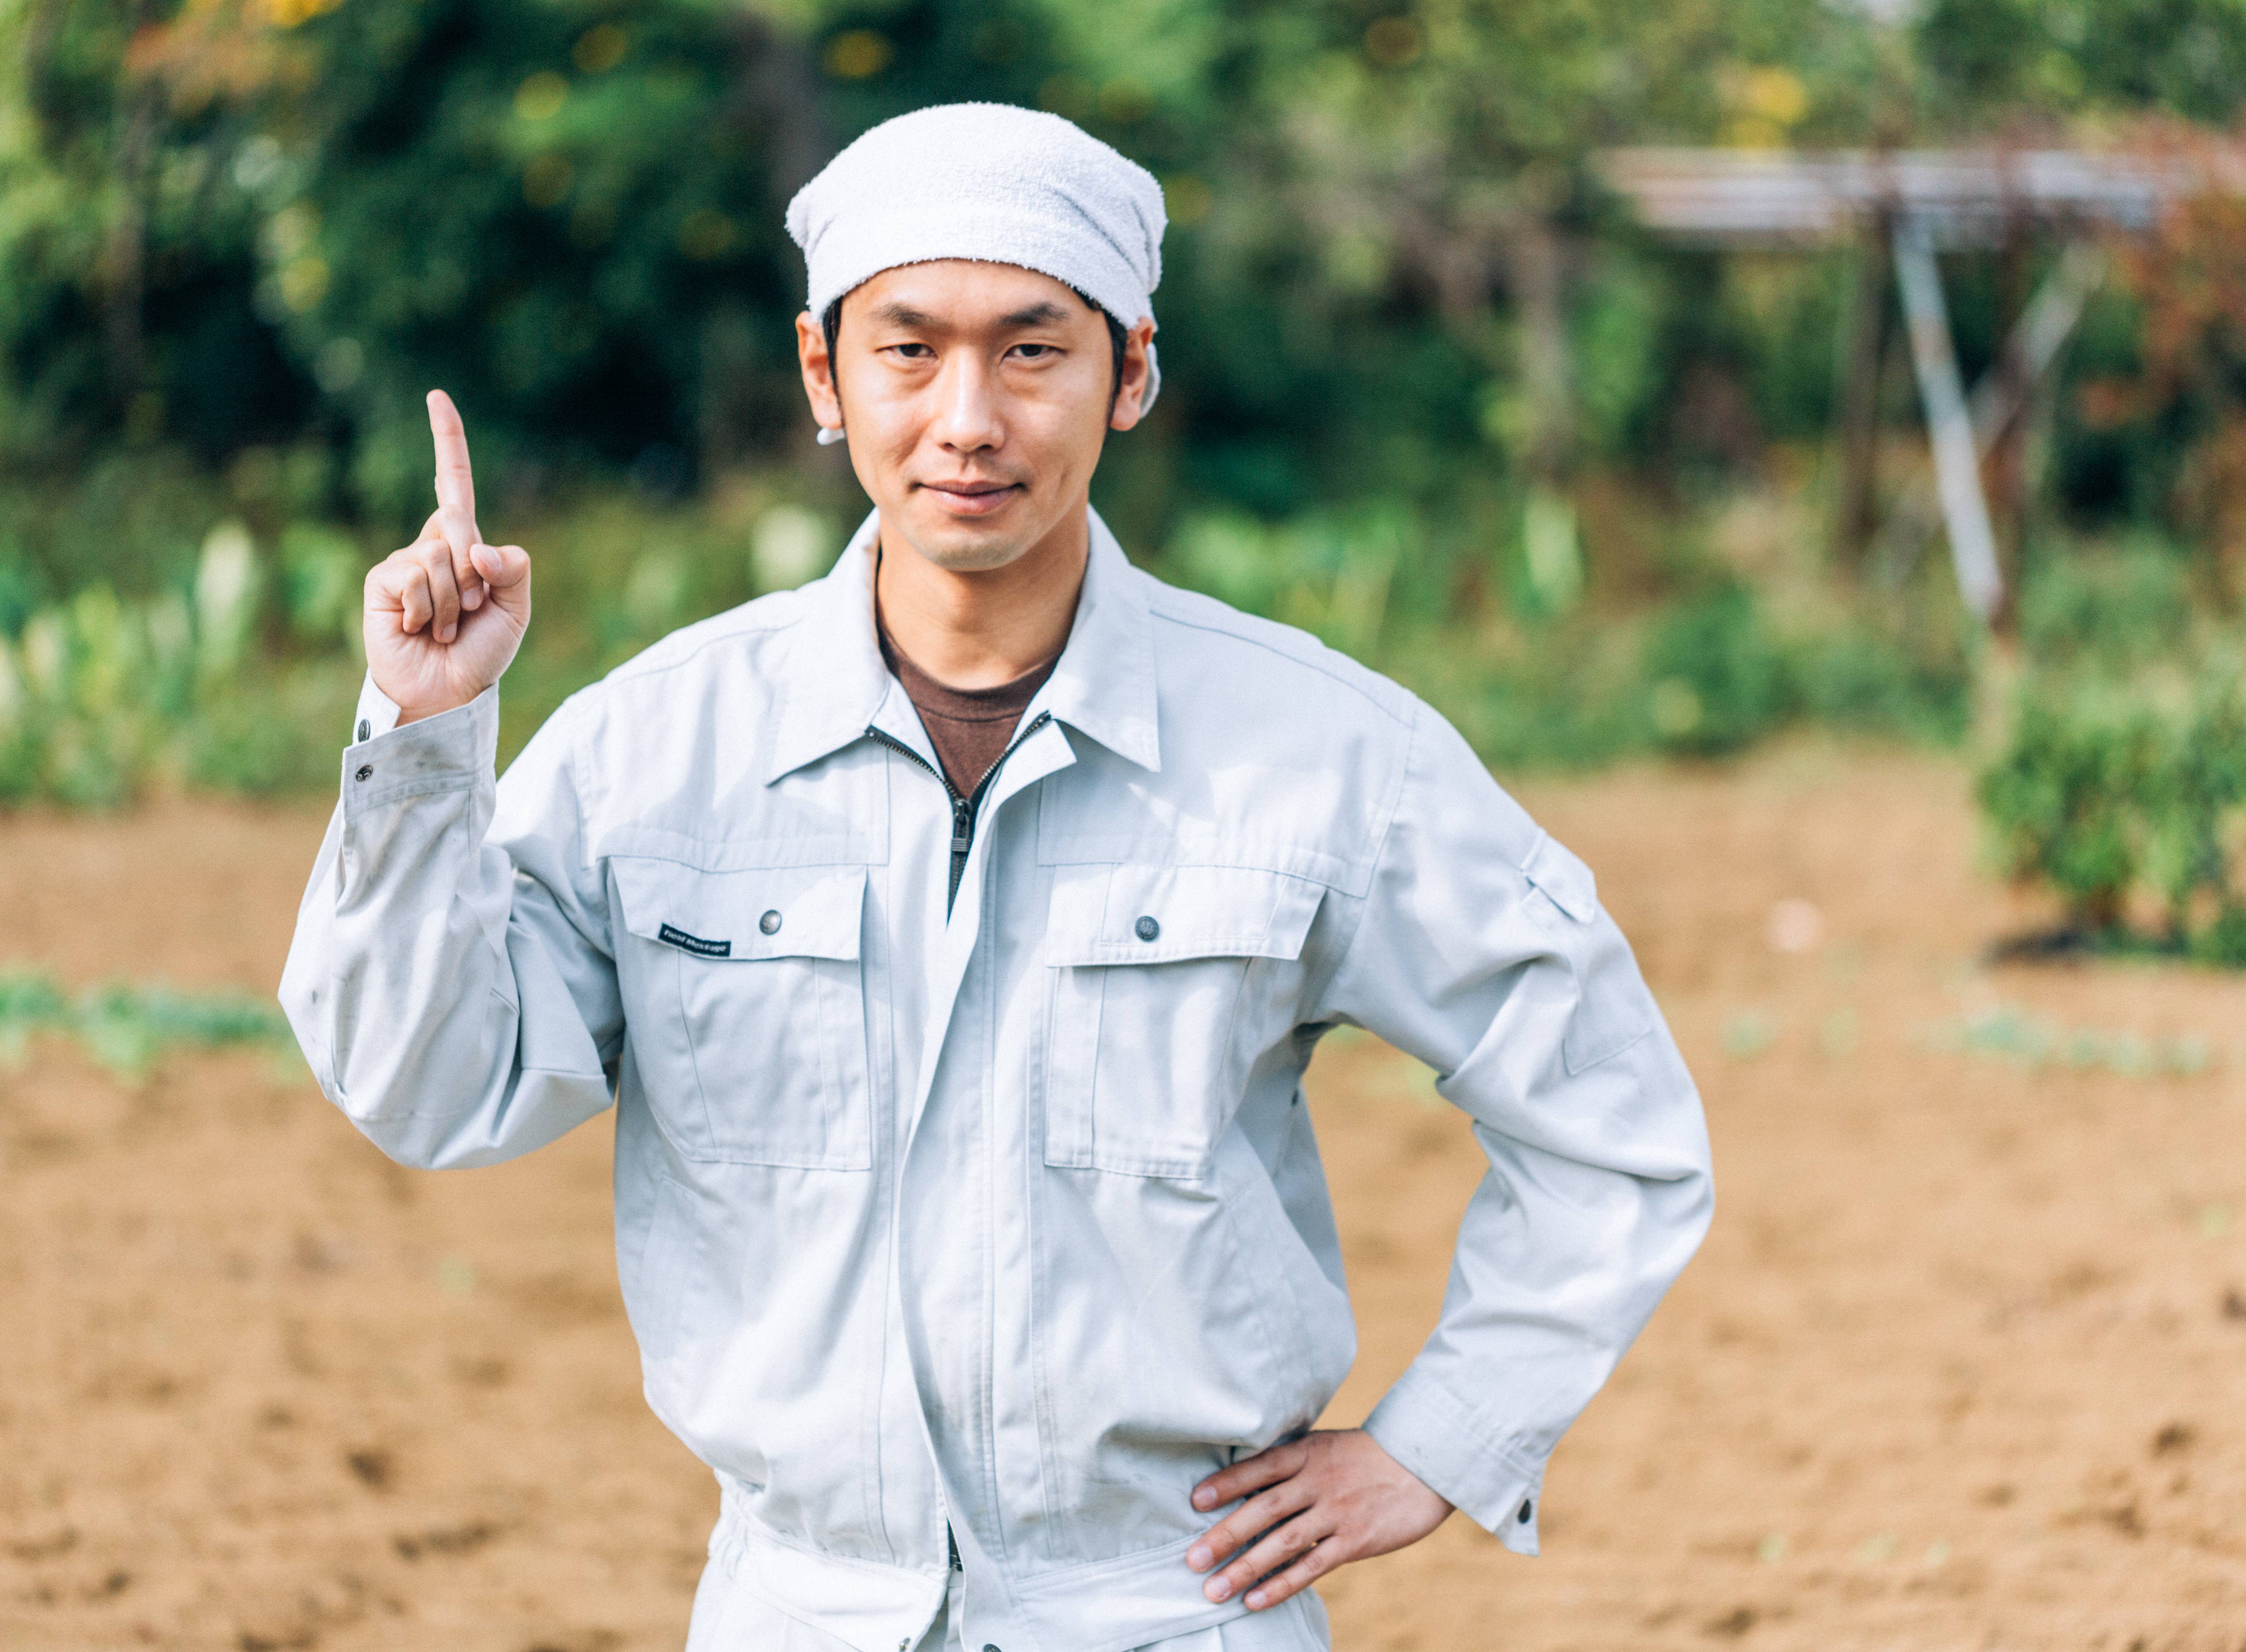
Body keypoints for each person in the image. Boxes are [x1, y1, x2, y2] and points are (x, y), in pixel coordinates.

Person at [280, 102, 1711, 1652]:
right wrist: (423, 739)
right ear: (823, 373)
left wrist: (1445, 1440)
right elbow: (427, 1085)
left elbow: (1608, 1110)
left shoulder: (1319, 754)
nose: (968, 420)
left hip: (1173, 1611)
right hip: (798, 1608)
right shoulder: (658, 754)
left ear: (1132, 372)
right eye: (908, 351)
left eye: (1033, 351)